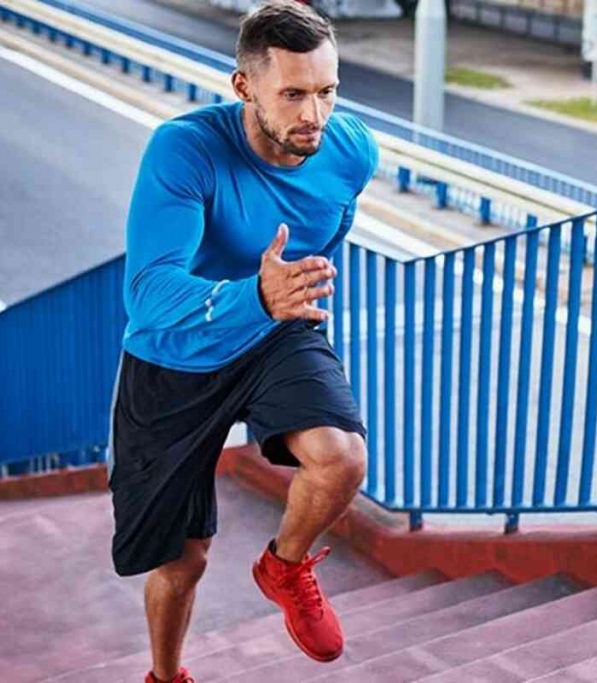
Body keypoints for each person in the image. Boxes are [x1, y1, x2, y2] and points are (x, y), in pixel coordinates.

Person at [105, 2, 379, 682]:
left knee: (341, 459)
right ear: (244, 88)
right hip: (175, 354)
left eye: (326, 91)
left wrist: (279, 300)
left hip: (272, 327)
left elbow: (320, 235)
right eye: (292, 93)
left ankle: (284, 566)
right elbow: (148, 291)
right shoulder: (184, 149)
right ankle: (166, 675)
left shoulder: (351, 151)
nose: (313, 115)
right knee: (183, 560)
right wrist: (253, 293)